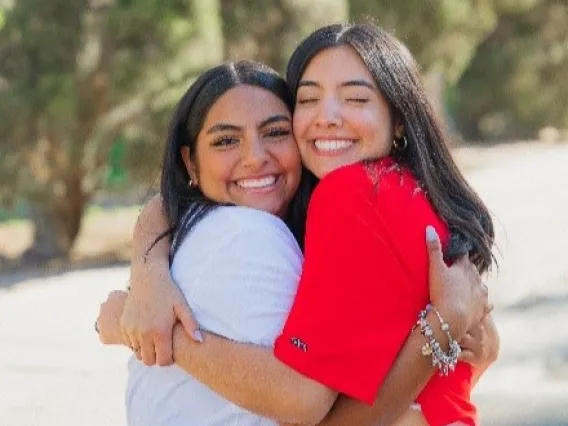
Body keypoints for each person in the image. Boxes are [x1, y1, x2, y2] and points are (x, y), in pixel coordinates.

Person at [98, 23, 498, 426]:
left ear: (399, 119)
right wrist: (149, 272)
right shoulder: (403, 190)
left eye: (356, 98)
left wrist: (153, 333)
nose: (327, 117)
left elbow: (302, 401)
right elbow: (165, 203)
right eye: (308, 99)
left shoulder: (352, 193)